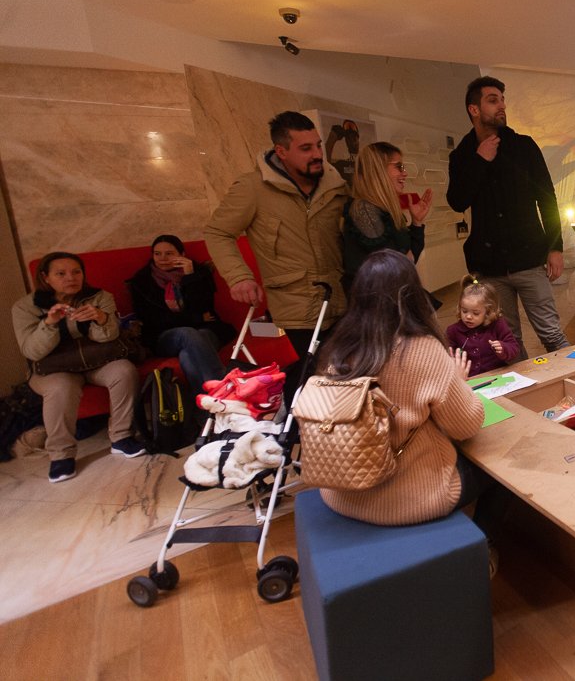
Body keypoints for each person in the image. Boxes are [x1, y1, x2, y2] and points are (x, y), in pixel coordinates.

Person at [313, 250, 503, 572]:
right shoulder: (422, 349)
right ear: (412, 295)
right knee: (501, 469)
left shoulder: (340, 347)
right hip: (409, 497)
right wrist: (459, 382)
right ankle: (481, 548)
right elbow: (467, 424)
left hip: (342, 490)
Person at [204, 111, 347, 402]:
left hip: (342, 297)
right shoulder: (253, 188)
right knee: (312, 380)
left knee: (346, 375)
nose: (317, 154)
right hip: (295, 303)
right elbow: (218, 232)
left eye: (318, 145)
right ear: (281, 151)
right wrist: (239, 277)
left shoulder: (335, 184)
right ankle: (299, 424)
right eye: (305, 148)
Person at [446, 76, 568, 360]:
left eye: (502, 100)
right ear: (474, 109)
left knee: (552, 334)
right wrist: (479, 161)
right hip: (490, 266)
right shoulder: (462, 155)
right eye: (493, 100)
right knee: (507, 341)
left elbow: (547, 198)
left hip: (529, 258)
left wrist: (556, 246)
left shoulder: (523, 146)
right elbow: (457, 201)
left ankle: (573, 382)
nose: (501, 106)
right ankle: (524, 387)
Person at [12, 252, 143, 482]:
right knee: (61, 387)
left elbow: (109, 337)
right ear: (46, 277)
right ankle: (61, 455)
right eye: (61, 274)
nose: (70, 278)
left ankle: (122, 436)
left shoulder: (100, 297)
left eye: (76, 272)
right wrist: (49, 323)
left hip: (96, 361)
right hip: (54, 369)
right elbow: (32, 351)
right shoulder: (25, 307)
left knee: (123, 370)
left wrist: (101, 318)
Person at [128, 235, 234, 400]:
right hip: (163, 336)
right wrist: (196, 318)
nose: (162, 259)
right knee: (187, 333)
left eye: (169, 253)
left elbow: (204, 307)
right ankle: (225, 392)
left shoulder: (199, 273)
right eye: (157, 254)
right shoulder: (141, 281)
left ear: (182, 254)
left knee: (187, 355)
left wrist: (190, 277)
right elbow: (152, 319)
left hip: (206, 330)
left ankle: (208, 408)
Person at [342, 141, 433, 291]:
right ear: (378, 170)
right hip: (378, 300)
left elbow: (409, 259)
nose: (405, 173)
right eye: (399, 167)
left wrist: (417, 222)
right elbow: (396, 266)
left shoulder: (383, 210)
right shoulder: (364, 210)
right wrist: (407, 257)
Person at [445, 275, 521, 376]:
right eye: (464, 311)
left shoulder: (498, 325)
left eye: (475, 313)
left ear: (488, 312)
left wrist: (503, 348)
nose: (468, 316)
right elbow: (446, 357)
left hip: (498, 375)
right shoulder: (453, 331)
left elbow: (514, 347)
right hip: (469, 379)